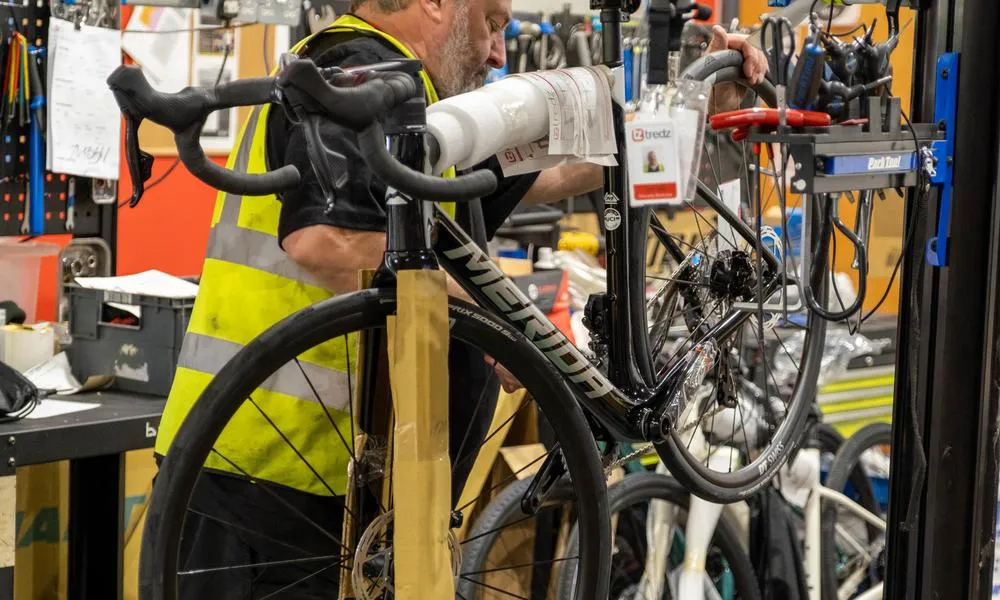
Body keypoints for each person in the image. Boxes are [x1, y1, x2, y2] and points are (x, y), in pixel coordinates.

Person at [154, 0, 768, 595]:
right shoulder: (354, 68)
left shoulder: (420, 111)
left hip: (344, 491)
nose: (499, 51)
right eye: (491, 23)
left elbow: (558, 170)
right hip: (259, 484)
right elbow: (327, 239)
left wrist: (691, 101)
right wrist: (483, 317)